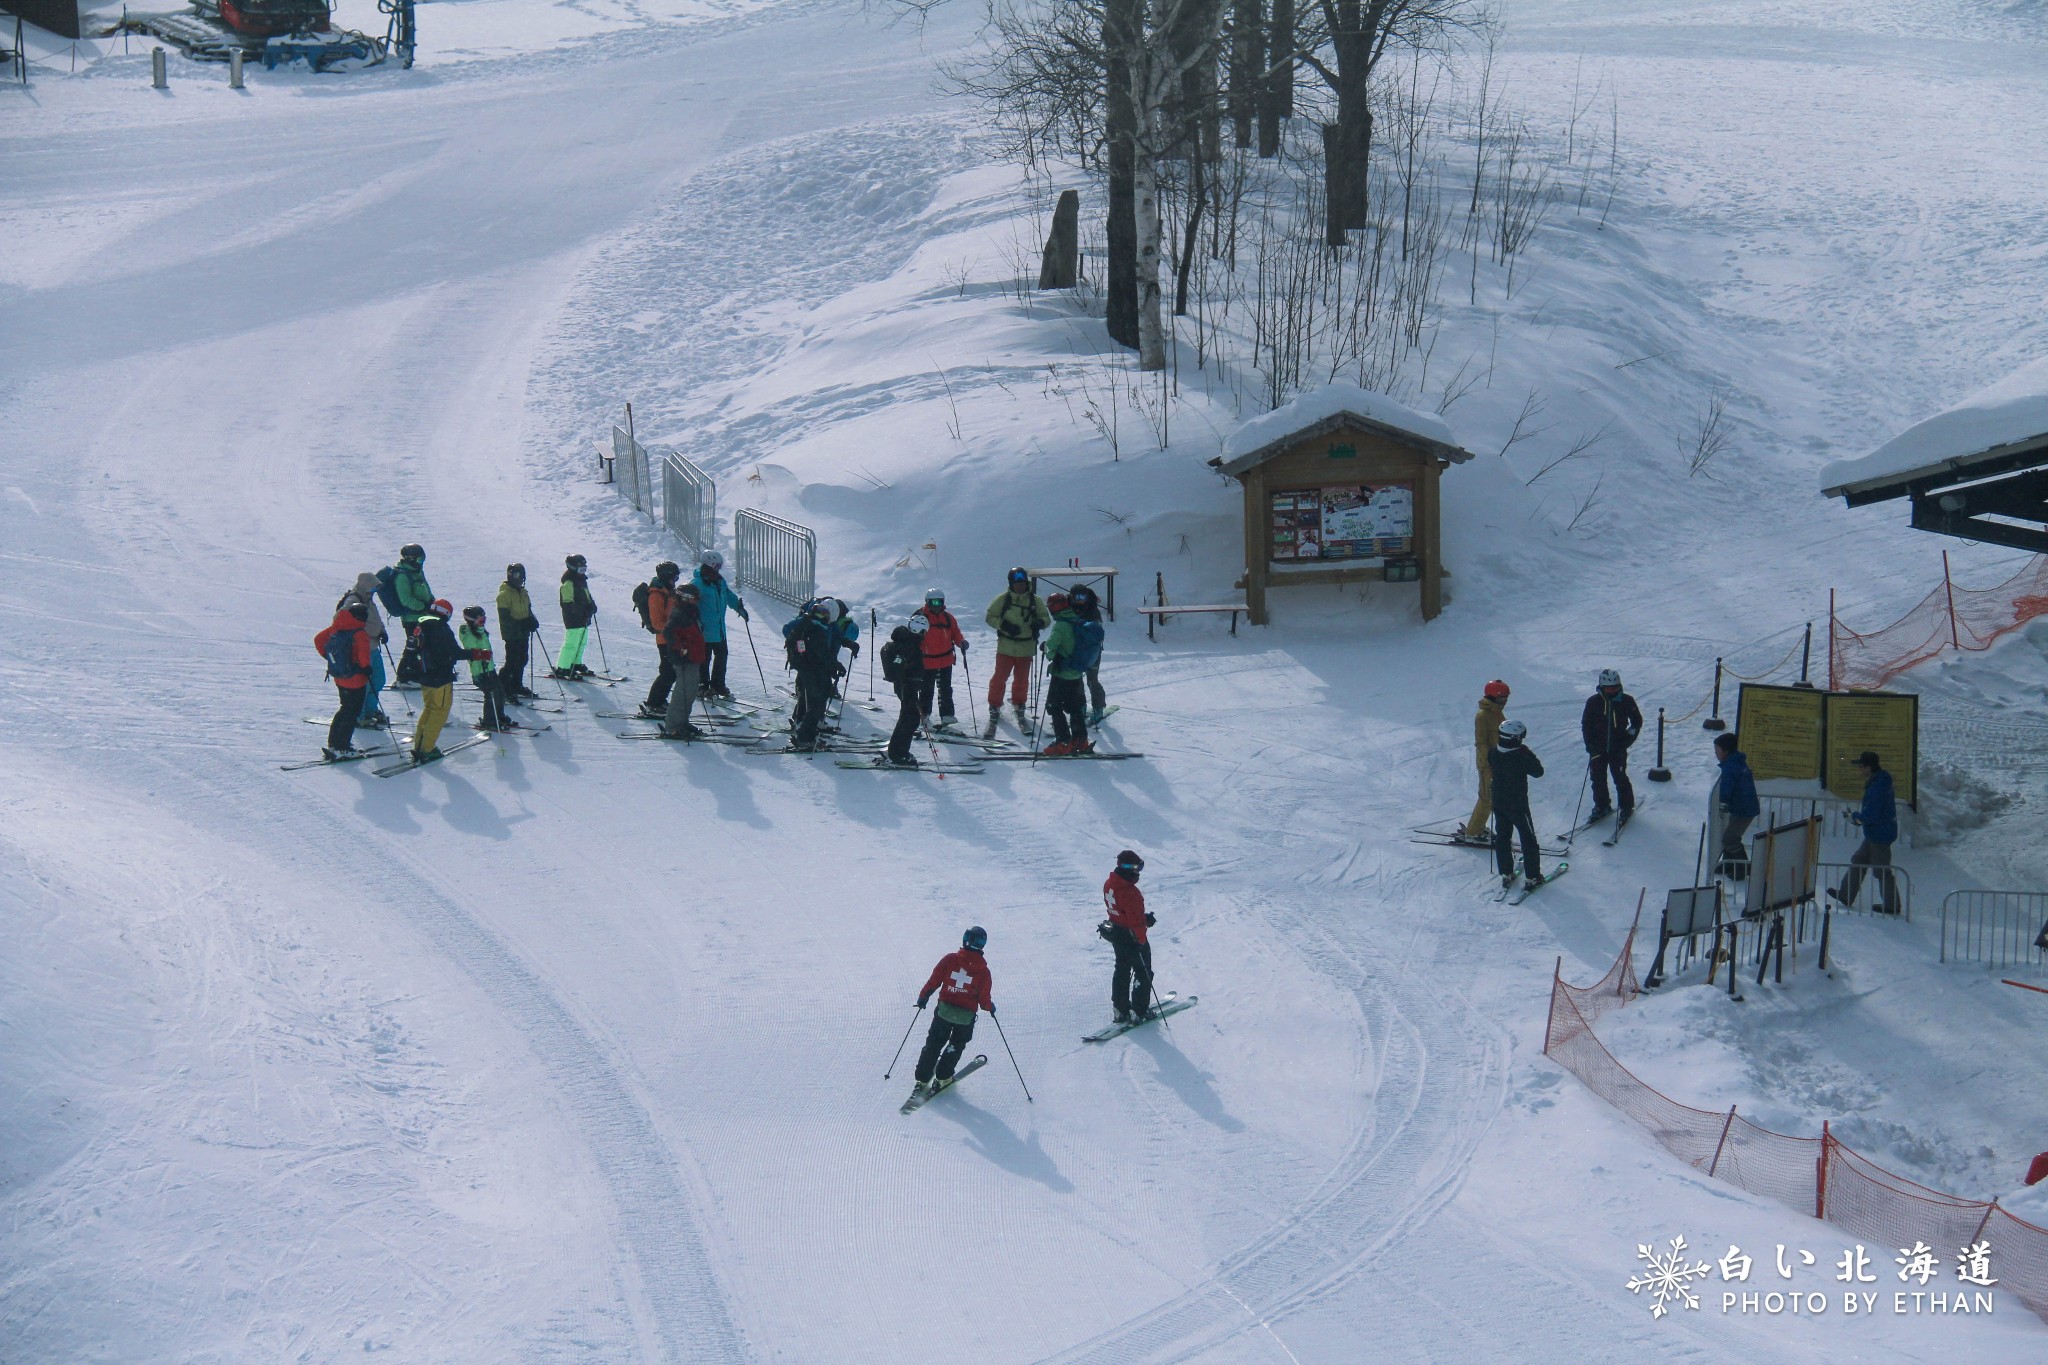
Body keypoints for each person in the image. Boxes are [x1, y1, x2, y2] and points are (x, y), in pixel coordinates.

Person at [912, 926, 995, 1098]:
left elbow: (934, 981)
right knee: (955, 1045)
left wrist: (923, 997)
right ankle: (943, 1078)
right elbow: (984, 999)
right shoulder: (983, 972)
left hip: (944, 1013)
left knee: (934, 1043)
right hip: (965, 1018)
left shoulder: (950, 960)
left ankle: (922, 1079)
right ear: (981, 945)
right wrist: (990, 1007)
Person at [984, 567, 1050, 738]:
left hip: (1026, 647)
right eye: (1016, 582)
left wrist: (1039, 623)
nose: (1019, 585)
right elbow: (990, 617)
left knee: (1021, 681)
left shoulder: (1035, 601)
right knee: (999, 679)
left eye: (1022, 582)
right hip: (1005, 647)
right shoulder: (1003, 600)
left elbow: (1046, 618)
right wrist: (1004, 625)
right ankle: (994, 706)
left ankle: (1019, 705)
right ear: (1011, 583)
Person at [1832, 751, 1900, 914]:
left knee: (1881, 870)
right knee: (1859, 860)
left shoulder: (1878, 786)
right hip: (1874, 833)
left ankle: (1892, 905)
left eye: (1861, 767)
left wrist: (1854, 818)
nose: (1859, 770)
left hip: (1880, 834)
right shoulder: (1878, 782)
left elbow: (1872, 815)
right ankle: (1845, 895)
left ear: (1869, 768)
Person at [1039, 591, 1104, 756]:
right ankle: (1080, 740)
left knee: (1053, 706)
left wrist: (1046, 648)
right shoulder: (1076, 620)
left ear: (1055, 608)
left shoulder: (1061, 625)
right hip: (1076, 673)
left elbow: (1051, 650)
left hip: (1062, 674)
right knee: (1075, 708)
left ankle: (1063, 741)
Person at [1489, 719, 1546, 889]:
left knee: (1503, 837)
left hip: (1498, 801)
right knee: (1528, 838)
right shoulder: (1520, 755)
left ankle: (1506, 872)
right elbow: (1538, 771)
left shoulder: (1493, 752)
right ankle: (1533, 876)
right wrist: (1528, 753)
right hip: (1517, 805)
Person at [1580, 668, 1643, 822]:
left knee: (1620, 777)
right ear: (1602, 687)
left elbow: (1637, 722)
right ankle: (1602, 806)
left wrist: (1627, 740)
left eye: (1614, 687)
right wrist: (1590, 745)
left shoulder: (1626, 701)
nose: (1611, 691)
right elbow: (1586, 725)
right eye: (1608, 688)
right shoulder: (1593, 702)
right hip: (1598, 749)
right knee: (1598, 778)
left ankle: (1626, 807)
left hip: (1618, 748)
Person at [1099, 850, 1155, 1024]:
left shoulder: (1110, 883)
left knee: (1122, 970)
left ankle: (1120, 1009)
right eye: (1137, 868)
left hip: (1117, 933)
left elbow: (1124, 913)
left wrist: (1144, 918)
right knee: (1143, 972)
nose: (1138, 873)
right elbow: (1135, 922)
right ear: (1127, 868)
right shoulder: (1130, 893)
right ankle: (1140, 1010)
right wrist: (1140, 941)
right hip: (1132, 938)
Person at [313, 601, 374, 759]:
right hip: (356, 679)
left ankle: (334, 743)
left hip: (340, 677)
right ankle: (342, 748)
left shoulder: (339, 626)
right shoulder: (359, 633)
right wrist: (366, 668)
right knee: (352, 712)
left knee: (344, 708)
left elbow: (319, 640)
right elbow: (363, 657)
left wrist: (331, 659)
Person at [690, 551, 749, 701]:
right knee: (704, 659)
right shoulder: (698, 584)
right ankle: (702, 686)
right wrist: (694, 621)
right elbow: (690, 605)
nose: (718, 569)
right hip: (704, 630)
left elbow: (728, 594)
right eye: (717, 566)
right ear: (709, 565)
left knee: (722, 656)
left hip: (719, 629)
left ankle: (718, 684)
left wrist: (739, 608)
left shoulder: (719, 581)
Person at [337, 571, 392, 730]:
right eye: (373, 588)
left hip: (373, 647)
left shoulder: (368, 599)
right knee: (364, 683)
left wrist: (381, 630)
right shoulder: (353, 600)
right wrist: (366, 631)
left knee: (378, 680)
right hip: (361, 649)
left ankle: (370, 710)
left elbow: (375, 618)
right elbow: (341, 619)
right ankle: (360, 715)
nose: (374, 591)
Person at [783, 599, 839, 751]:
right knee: (816, 703)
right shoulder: (816, 630)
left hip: (807, 668)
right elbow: (821, 653)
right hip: (812, 669)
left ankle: (807, 731)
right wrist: (835, 665)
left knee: (816, 700)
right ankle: (805, 737)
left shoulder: (808, 624)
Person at [411, 599, 461, 764]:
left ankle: (419, 744)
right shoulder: (441, 628)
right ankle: (427, 749)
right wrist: (475, 654)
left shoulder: (421, 625)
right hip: (441, 677)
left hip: (425, 675)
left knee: (429, 709)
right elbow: (454, 652)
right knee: (439, 712)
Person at [1462, 680, 1511, 840]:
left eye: (1506, 697)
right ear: (1493, 697)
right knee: (1487, 798)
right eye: (1502, 697)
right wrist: (1492, 758)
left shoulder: (1497, 712)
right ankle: (1473, 832)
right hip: (1488, 763)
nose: (1505, 700)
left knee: (1492, 797)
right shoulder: (1483, 716)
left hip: (1499, 761)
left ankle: (1478, 827)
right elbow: (1480, 742)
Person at [877, 615, 928, 767]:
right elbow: (898, 664)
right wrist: (908, 680)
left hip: (907, 685)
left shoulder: (908, 642)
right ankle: (899, 754)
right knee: (910, 718)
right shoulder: (908, 646)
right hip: (907, 686)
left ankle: (896, 751)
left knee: (907, 717)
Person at [661, 583, 710, 740]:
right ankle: (673, 726)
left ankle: (682, 722)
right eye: (694, 599)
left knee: (690, 691)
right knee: (683, 692)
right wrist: (681, 646)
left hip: (693, 657)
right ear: (686, 598)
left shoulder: (690, 611)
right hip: (684, 658)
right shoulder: (679, 612)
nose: (697, 601)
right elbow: (668, 632)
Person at [915, 588, 969, 730]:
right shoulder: (920, 616)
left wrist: (961, 642)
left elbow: (955, 633)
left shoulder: (948, 617)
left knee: (945, 688)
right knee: (926, 689)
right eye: (933, 602)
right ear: (927, 602)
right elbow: (913, 635)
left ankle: (947, 714)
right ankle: (924, 714)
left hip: (945, 660)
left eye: (939, 602)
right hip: (927, 661)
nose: (936, 605)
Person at [638, 560, 683, 719]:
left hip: (672, 638)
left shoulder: (668, 591)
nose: (675, 581)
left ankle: (660, 701)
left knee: (671, 672)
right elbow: (657, 621)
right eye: (674, 578)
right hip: (665, 639)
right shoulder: (656, 594)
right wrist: (672, 631)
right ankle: (652, 704)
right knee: (667, 672)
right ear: (666, 577)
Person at [1713, 732, 1760, 879]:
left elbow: (1727, 789)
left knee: (1730, 838)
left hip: (1744, 810)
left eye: (1717, 750)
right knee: (1730, 835)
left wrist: (1721, 803)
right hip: (1741, 807)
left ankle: (1742, 868)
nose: (1715, 753)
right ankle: (1729, 864)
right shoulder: (1735, 763)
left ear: (1726, 751)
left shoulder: (1731, 767)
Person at [458, 606, 510, 731]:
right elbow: (473, 652)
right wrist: (482, 654)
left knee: (500, 693)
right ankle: (489, 720)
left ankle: (499, 716)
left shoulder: (480, 631)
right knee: (491, 695)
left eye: (484, 620)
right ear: (471, 621)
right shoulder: (469, 635)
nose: (483, 623)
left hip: (489, 669)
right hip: (480, 672)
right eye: (481, 621)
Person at [388, 543, 433, 682]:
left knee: (424, 645)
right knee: (414, 646)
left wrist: (432, 602)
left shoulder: (417, 572)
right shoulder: (402, 576)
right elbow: (405, 599)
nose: (421, 563)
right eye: (419, 560)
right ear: (410, 559)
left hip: (423, 615)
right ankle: (404, 677)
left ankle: (419, 672)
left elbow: (425, 589)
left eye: (423, 560)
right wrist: (422, 606)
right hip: (412, 619)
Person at [496, 564, 540, 700]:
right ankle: (502, 687)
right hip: (511, 634)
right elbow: (505, 619)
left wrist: (532, 620)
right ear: (509, 576)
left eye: (521, 575)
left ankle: (516, 685)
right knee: (512, 662)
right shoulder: (503, 595)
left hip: (523, 633)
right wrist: (522, 623)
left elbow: (528, 609)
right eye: (516, 575)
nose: (519, 579)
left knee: (522, 659)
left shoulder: (524, 592)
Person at [1068, 583, 1110, 726]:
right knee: (1076, 679)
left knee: (1092, 679)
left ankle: (1098, 707)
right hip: (1076, 650)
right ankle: (1081, 706)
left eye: (1083, 596)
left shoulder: (1093, 610)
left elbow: (1098, 633)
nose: (1080, 600)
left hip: (1092, 650)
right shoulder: (1069, 608)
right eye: (1077, 597)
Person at [555, 554, 597, 679]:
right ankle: (563, 667)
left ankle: (575, 662)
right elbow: (567, 604)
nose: (583, 572)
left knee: (582, 641)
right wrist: (581, 612)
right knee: (571, 643)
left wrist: (591, 605)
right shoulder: (568, 583)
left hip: (584, 618)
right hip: (573, 619)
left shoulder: (582, 581)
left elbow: (587, 595)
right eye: (580, 569)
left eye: (584, 569)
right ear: (572, 568)